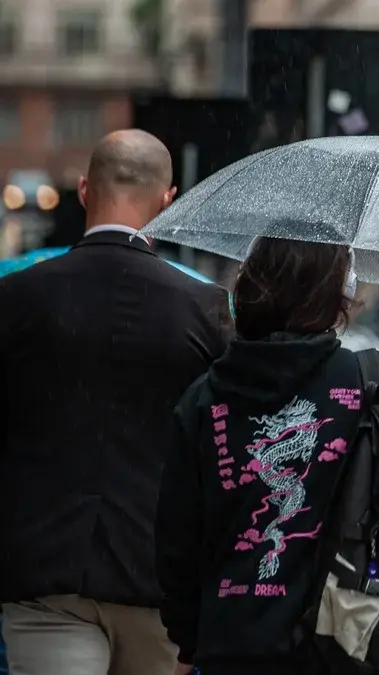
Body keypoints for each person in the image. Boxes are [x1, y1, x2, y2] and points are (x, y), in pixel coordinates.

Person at [155, 238, 379, 675]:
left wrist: (191, 637)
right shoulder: (375, 381)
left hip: (233, 644)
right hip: (353, 639)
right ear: (338, 292)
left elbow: (177, 539)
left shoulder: (205, 398)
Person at [0, 129, 232, 675]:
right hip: (159, 582)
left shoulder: (17, 297)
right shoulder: (204, 308)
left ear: (83, 190)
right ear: (168, 199)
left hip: (44, 573)